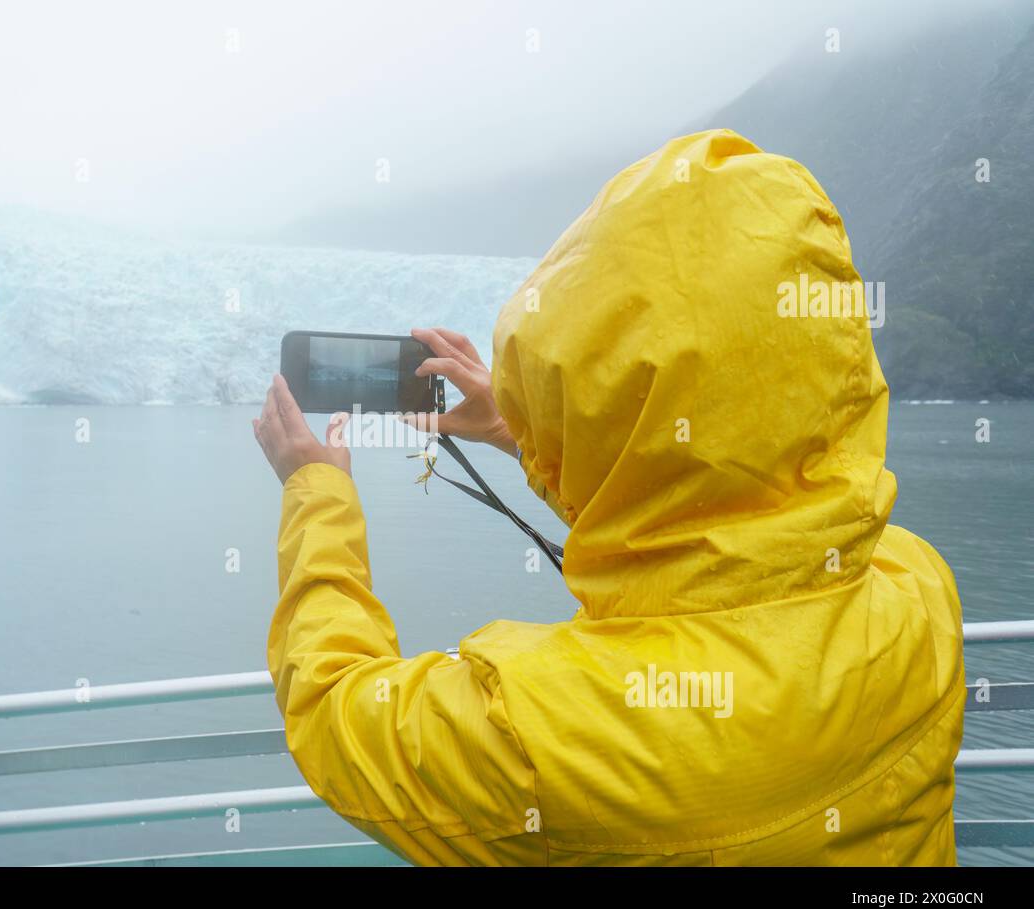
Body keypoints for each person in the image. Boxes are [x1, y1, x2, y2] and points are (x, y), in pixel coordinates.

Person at [251, 129, 965, 866]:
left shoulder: (543, 737)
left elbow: (334, 706)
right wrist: (516, 432)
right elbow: (711, 512)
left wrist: (317, 491)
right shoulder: (915, 589)